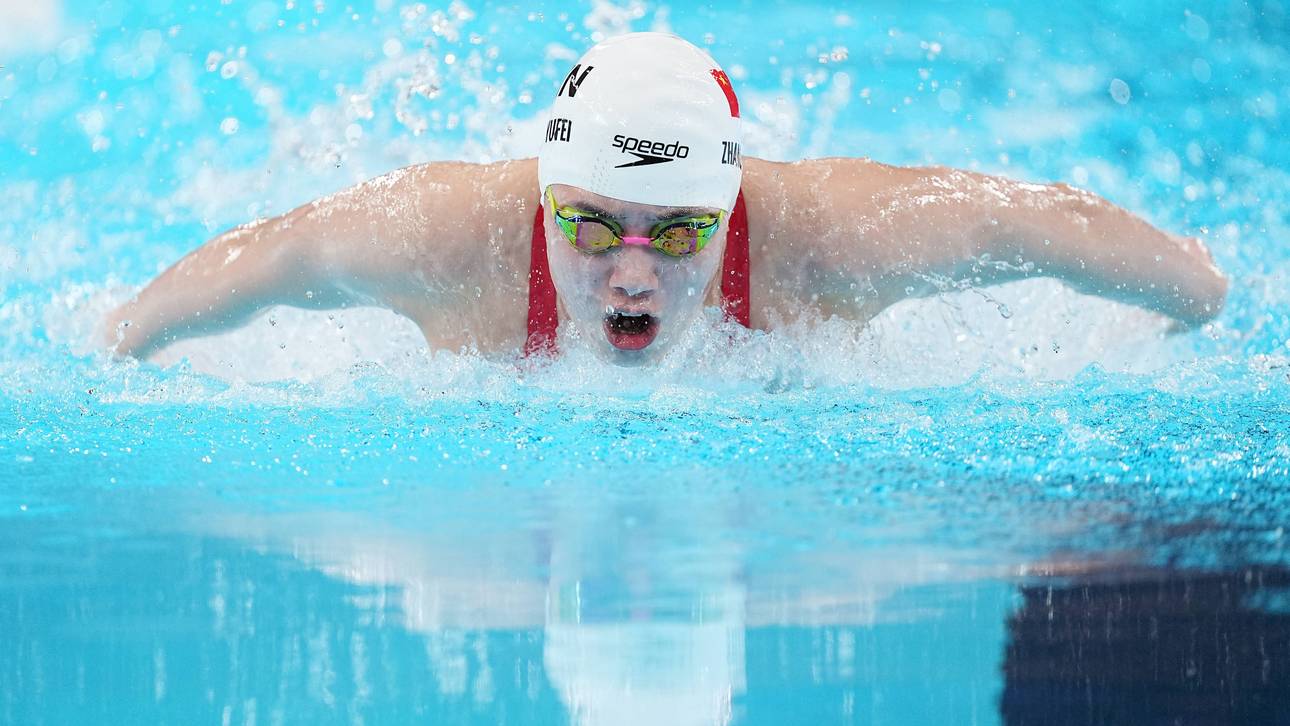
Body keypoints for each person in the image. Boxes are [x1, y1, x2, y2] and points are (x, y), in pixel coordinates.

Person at [102, 32, 1227, 366]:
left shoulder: (828, 238)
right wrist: (120, 342)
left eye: (680, 233)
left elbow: (1025, 221)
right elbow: (275, 254)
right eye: (590, 225)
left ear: (730, 214)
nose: (632, 271)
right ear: (546, 200)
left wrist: (1192, 300)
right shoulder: (444, 239)